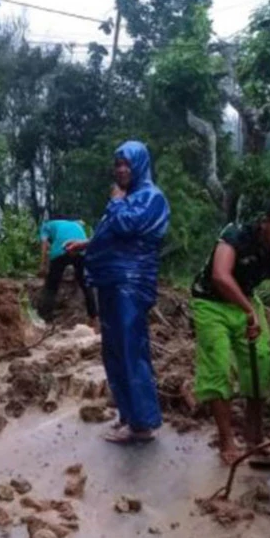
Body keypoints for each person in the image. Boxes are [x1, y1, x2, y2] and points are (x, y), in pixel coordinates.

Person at [67, 140, 170, 443]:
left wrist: (115, 201)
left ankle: (142, 424)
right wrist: (85, 244)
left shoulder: (151, 198)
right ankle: (129, 415)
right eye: (118, 164)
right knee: (113, 351)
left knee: (130, 350)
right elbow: (110, 233)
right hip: (112, 282)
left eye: (127, 163)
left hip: (131, 283)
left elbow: (126, 226)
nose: (121, 169)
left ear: (140, 164)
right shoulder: (129, 198)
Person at [191, 194, 270, 464]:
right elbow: (220, 275)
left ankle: (255, 435)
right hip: (210, 301)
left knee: (263, 361)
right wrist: (249, 311)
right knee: (218, 367)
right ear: (267, 222)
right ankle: (227, 440)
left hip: (245, 301)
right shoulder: (237, 234)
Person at [37, 213, 98, 326]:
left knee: (51, 286)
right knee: (86, 285)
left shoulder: (45, 226)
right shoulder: (74, 224)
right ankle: (94, 318)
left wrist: (43, 265)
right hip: (81, 248)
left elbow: (44, 245)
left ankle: (47, 319)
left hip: (62, 247)